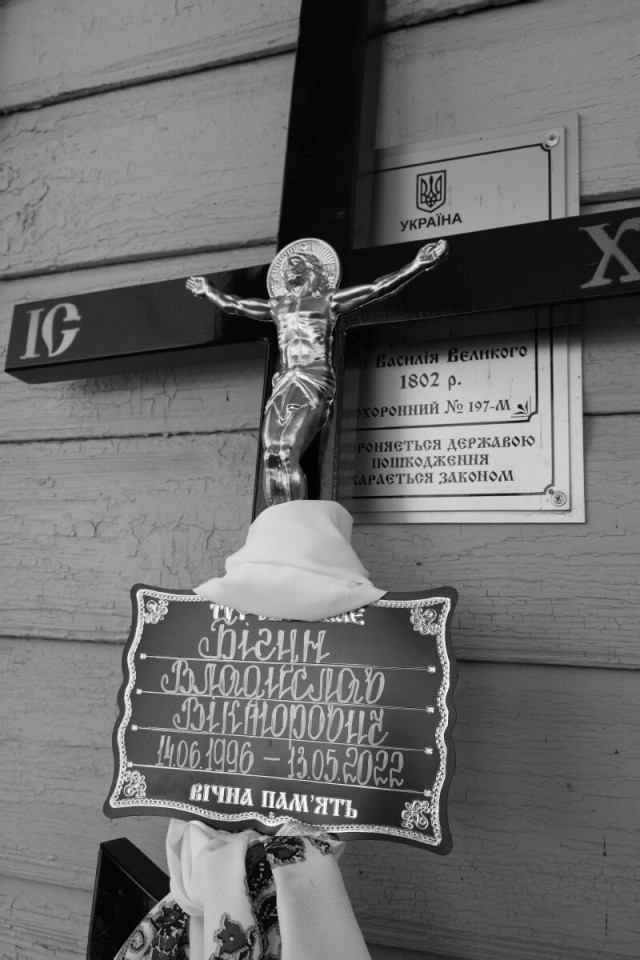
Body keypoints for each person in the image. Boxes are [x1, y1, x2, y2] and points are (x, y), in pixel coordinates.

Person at [187, 237, 448, 505]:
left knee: (286, 450)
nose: (288, 269)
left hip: (313, 379)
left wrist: (417, 264)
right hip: (284, 382)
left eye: (295, 263)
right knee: (270, 454)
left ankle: (297, 518)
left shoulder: (327, 301)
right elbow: (237, 306)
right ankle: (276, 519)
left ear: (311, 269)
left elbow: (375, 288)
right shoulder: (278, 306)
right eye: (286, 266)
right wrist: (208, 292)